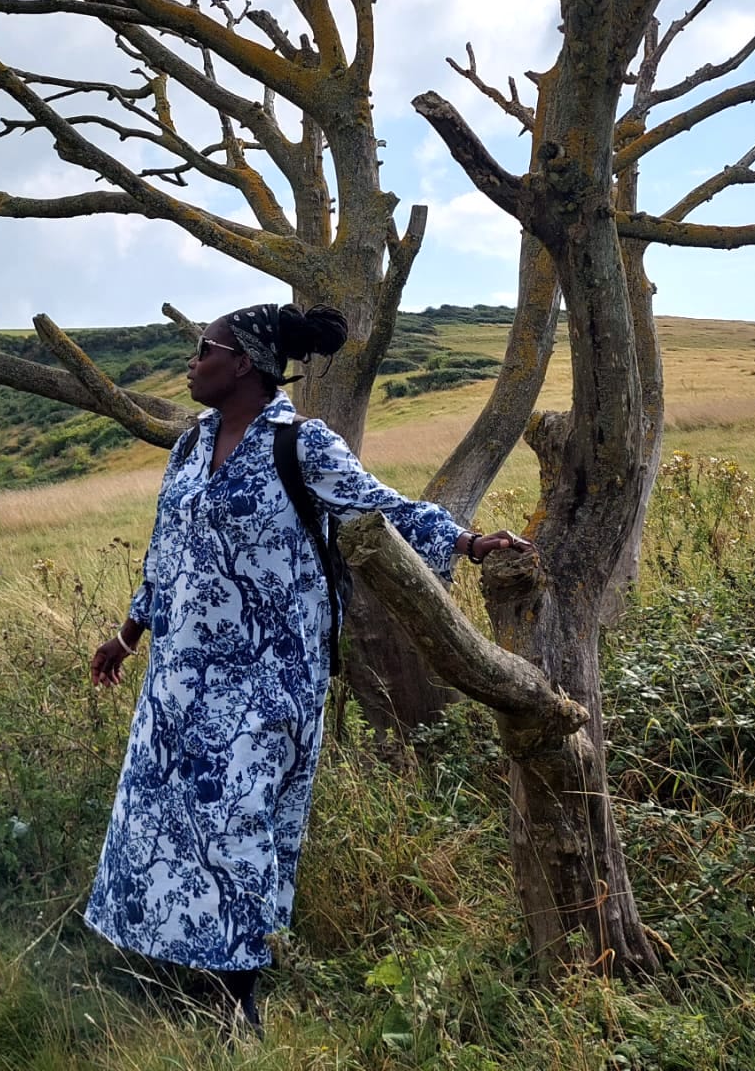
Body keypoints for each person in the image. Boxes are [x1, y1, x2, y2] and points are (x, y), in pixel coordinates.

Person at [83, 302, 531, 1035]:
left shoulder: (302, 444)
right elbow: (167, 553)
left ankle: (239, 1003)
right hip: (182, 680)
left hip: (268, 684)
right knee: (167, 821)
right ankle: (177, 967)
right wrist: (128, 635)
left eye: (206, 349)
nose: (193, 361)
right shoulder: (191, 444)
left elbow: (383, 509)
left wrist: (471, 543)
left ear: (247, 363)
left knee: (243, 829)